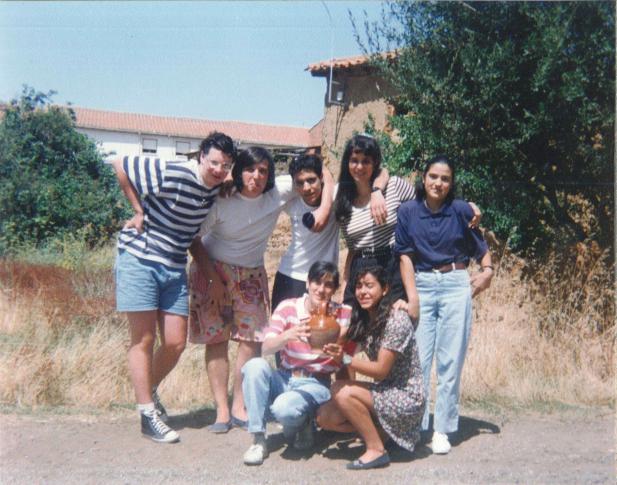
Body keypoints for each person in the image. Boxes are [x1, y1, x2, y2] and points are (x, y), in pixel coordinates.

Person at [189, 147, 334, 434]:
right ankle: (221, 411)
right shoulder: (222, 198)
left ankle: (240, 406)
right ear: (238, 171)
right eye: (249, 169)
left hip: (251, 273)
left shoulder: (278, 190)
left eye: (263, 171)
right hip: (211, 269)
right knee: (216, 339)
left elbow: (320, 173)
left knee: (252, 340)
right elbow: (194, 238)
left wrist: (326, 196)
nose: (256, 176)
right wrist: (213, 280)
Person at [112, 131, 236, 443]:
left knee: (175, 342)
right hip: (140, 258)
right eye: (214, 162)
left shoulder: (216, 189)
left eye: (225, 165)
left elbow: (194, 237)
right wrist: (138, 210)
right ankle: (147, 415)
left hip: (174, 265)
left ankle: (148, 392)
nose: (218, 170)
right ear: (201, 157)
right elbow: (120, 163)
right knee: (143, 339)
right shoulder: (174, 171)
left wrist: (211, 276)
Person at [394, 155, 493, 455]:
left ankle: (442, 429)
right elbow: (405, 256)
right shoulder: (408, 211)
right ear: (423, 178)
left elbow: (481, 248)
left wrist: (487, 271)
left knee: (450, 361)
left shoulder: (461, 211)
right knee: (419, 361)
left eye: (445, 178)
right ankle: (416, 425)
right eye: (433, 176)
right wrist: (412, 297)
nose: (438, 183)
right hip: (422, 285)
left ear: (451, 183)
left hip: (455, 284)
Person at [241, 261, 353, 466]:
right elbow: (265, 348)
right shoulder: (288, 307)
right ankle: (258, 438)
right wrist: (288, 335)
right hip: (285, 377)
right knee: (254, 366)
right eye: (317, 282)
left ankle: (304, 421)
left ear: (335, 290)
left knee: (284, 409)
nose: (321, 289)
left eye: (328, 285)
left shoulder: (343, 313)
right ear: (308, 283)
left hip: (316, 382)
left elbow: (347, 356)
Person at [317, 265, 425, 470]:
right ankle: (383, 434)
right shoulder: (366, 317)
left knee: (341, 391)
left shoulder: (396, 320)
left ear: (384, 289)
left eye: (369, 285)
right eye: (359, 286)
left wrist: (345, 359)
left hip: (405, 398)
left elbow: (380, 371)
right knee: (325, 416)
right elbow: (342, 341)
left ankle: (376, 450)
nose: (363, 292)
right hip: (383, 392)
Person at [271, 152, 390, 311]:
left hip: (322, 280)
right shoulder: (292, 200)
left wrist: (376, 191)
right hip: (291, 276)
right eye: (300, 183)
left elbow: (382, 172)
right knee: (284, 324)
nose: (307, 188)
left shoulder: (336, 196)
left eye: (311, 180)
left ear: (321, 178)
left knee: (319, 326)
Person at [333, 134, 416, 304]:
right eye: (354, 160)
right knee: (353, 318)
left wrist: (467, 207)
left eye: (366, 161)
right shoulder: (342, 199)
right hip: (361, 268)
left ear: (375, 163)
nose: (359, 166)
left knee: (392, 317)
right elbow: (352, 249)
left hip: (392, 263)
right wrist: (344, 287)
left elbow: (427, 205)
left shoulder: (394, 186)